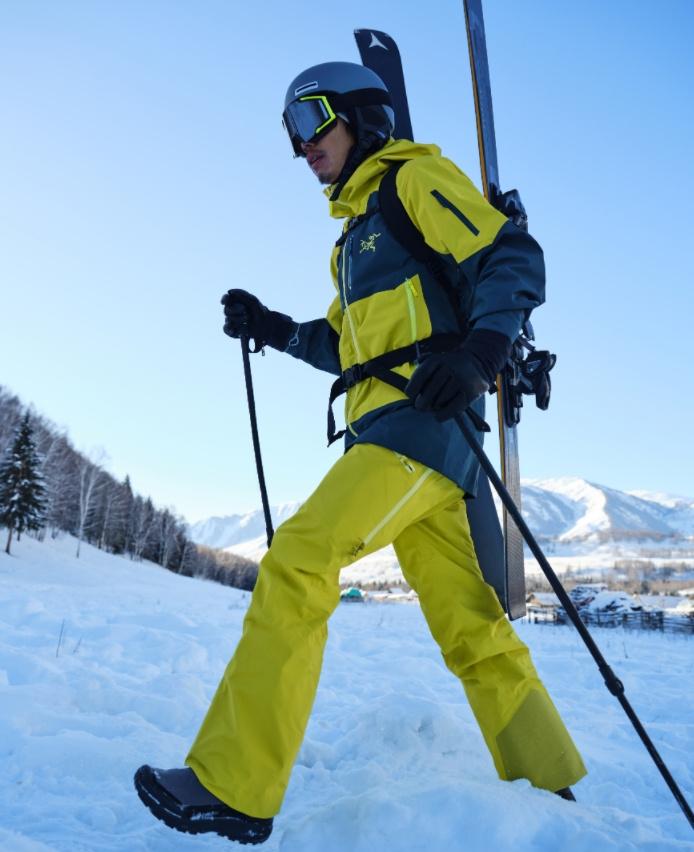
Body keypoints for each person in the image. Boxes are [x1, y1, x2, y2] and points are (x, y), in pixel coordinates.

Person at [134, 61, 586, 845]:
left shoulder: (413, 179)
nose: (301, 146)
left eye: (311, 121)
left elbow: (513, 257)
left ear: (360, 116)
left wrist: (480, 355)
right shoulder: (354, 241)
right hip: (396, 438)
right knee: (471, 628)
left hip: (421, 428)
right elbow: (346, 345)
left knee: (300, 559)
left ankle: (234, 784)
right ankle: (550, 784)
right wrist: (273, 328)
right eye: (290, 134)